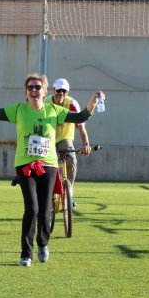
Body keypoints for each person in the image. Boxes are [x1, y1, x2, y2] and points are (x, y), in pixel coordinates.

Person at [0, 74, 104, 267]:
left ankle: (43, 244)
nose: (34, 90)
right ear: (26, 91)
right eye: (30, 87)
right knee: (31, 208)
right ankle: (26, 254)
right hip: (25, 164)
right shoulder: (18, 110)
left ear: (45, 91)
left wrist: (92, 102)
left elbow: (80, 117)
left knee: (45, 209)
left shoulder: (54, 110)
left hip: (47, 165)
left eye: (38, 87)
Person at [48, 78, 91, 208]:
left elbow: (81, 126)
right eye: (58, 90)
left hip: (64, 137)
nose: (61, 93)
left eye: (64, 91)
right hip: (47, 138)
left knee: (71, 158)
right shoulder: (44, 102)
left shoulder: (72, 103)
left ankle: (69, 195)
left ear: (67, 92)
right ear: (53, 90)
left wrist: (85, 144)